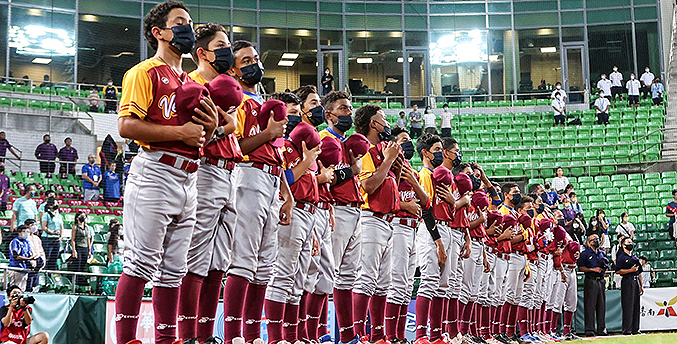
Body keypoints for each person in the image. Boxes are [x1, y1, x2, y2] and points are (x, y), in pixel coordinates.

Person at [114, 2, 221, 344]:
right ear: (158, 32)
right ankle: (128, 340)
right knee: (141, 264)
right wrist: (181, 134)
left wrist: (215, 127)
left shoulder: (190, 80)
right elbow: (126, 126)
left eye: (190, 22)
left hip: (190, 176)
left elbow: (202, 133)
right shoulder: (143, 72)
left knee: (174, 270)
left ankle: (166, 339)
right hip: (157, 169)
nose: (188, 28)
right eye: (180, 23)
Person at [221, 39, 293, 344]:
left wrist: (287, 195)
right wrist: (268, 132)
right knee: (244, 260)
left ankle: (252, 336)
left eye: (255, 58)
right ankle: (233, 335)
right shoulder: (238, 101)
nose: (253, 64)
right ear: (235, 70)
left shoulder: (264, 103)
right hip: (248, 176)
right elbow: (235, 148)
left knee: (265, 265)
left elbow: (276, 153)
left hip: (272, 179)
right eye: (245, 61)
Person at [175, 24, 239, 343]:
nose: (227, 50)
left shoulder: (230, 88)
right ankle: (187, 334)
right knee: (197, 256)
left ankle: (203, 336)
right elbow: (195, 134)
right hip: (205, 169)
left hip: (231, 172)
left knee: (219, 261)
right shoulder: (191, 85)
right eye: (221, 45)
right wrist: (225, 127)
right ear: (202, 52)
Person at [351, 104, 401, 344]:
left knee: (383, 283)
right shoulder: (368, 149)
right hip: (370, 218)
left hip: (388, 219)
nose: (386, 124)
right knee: (367, 278)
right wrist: (389, 161)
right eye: (383, 120)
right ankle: (358, 334)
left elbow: (391, 188)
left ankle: (378, 336)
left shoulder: (383, 150)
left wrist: (393, 165)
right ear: (373, 123)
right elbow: (368, 186)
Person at [318, 91, 365, 344]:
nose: (349, 113)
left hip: (354, 209)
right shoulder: (325, 139)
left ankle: (347, 336)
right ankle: (318, 332)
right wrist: (354, 169)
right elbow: (332, 177)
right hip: (336, 207)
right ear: (329, 115)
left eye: (349, 108)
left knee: (347, 277)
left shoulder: (347, 141)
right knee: (326, 273)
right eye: (343, 109)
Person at [384, 127, 428, 344]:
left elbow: (425, 201)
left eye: (409, 139)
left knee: (407, 284)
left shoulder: (411, 168)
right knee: (397, 281)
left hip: (413, 227)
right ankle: (390, 335)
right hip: (397, 225)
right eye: (404, 140)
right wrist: (404, 204)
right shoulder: (388, 165)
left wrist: (414, 182)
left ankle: (400, 336)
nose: (408, 143)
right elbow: (381, 197)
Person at [578, 234, 609, 337]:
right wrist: (592, 269)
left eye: (597, 239)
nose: (596, 241)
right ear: (589, 242)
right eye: (593, 239)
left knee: (601, 305)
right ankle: (589, 329)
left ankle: (601, 328)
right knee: (590, 306)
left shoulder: (602, 253)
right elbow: (581, 268)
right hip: (591, 280)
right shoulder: (585, 254)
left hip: (601, 280)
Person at [615, 237, 643, 335]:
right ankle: (627, 329)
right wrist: (629, 271)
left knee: (636, 305)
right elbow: (618, 270)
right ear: (623, 245)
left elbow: (639, 272)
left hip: (635, 282)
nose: (630, 244)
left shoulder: (634, 257)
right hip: (627, 281)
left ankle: (636, 328)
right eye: (628, 242)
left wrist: (641, 285)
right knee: (628, 305)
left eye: (631, 242)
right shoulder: (621, 257)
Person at [8, 225, 34, 290]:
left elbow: (30, 253)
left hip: (24, 270)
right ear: (19, 232)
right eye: (24, 231)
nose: (26, 233)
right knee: (15, 290)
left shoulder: (27, 242)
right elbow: (16, 257)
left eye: (28, 232)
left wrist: (32, 258)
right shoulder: (15, 242)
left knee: (22, 290)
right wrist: (29, 259)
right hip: (16, 269)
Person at [70, 211, 92, 286]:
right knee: (77, 265)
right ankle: (75, 283)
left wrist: (89, 250)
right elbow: (73, 239)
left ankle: (81, 283)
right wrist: (74, 250)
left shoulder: (87, 227)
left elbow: (88, 239)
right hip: (78, 247)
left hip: (85, 247)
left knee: (83, 266)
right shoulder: (75, 227)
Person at [40, 197, 62, 271]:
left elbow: (61, 226)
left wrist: (61, 236)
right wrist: (52, 232)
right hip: (48, 239)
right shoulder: (46, 215)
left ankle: (52, 275)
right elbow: (44, 227)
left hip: (56, 239)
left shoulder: (58, 215)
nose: (57, 205)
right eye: (55, 203)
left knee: (54, 258)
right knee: (47, 257)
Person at [24, 219, 44, 292]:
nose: (34, 227)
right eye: (32, 225)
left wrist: (42, 263)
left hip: (38, 266)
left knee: (35, 286)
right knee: (28, 286)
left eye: (35, 225)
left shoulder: (37, 238)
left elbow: (41, 251)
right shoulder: (25, 238)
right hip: (29, 266)